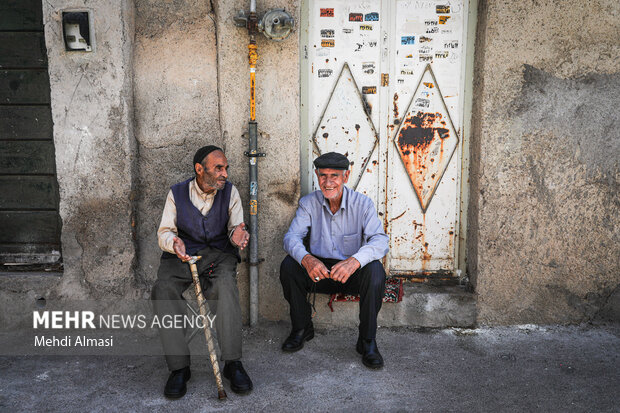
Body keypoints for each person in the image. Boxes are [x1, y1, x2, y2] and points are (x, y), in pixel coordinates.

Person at [151, 145, 253, 398]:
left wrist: (238, 235)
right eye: (219, 168)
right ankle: (179, 368)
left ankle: (232, 363)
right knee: (162, 290)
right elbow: (165, 231)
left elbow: (235, 228)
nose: (225, 174)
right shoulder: (177, 193)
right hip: (183, 257)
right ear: (200, 169)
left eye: (226, 168)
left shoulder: (230, 193)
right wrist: (174, 243)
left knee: (225, 288)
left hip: (218, 257)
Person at [280, 152, 389, 369]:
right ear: (317, 176)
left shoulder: (363, 204)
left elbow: (380, 241)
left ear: (346, 176)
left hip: (349, 272)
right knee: (289, 266)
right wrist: (308, 259)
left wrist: (355, 262)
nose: (328, 182)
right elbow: (291, 237)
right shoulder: (308, 203)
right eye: (323, 176)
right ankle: (302, 328)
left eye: (334, 176)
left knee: (375, 271)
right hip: (319, 271)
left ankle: (367, 340)